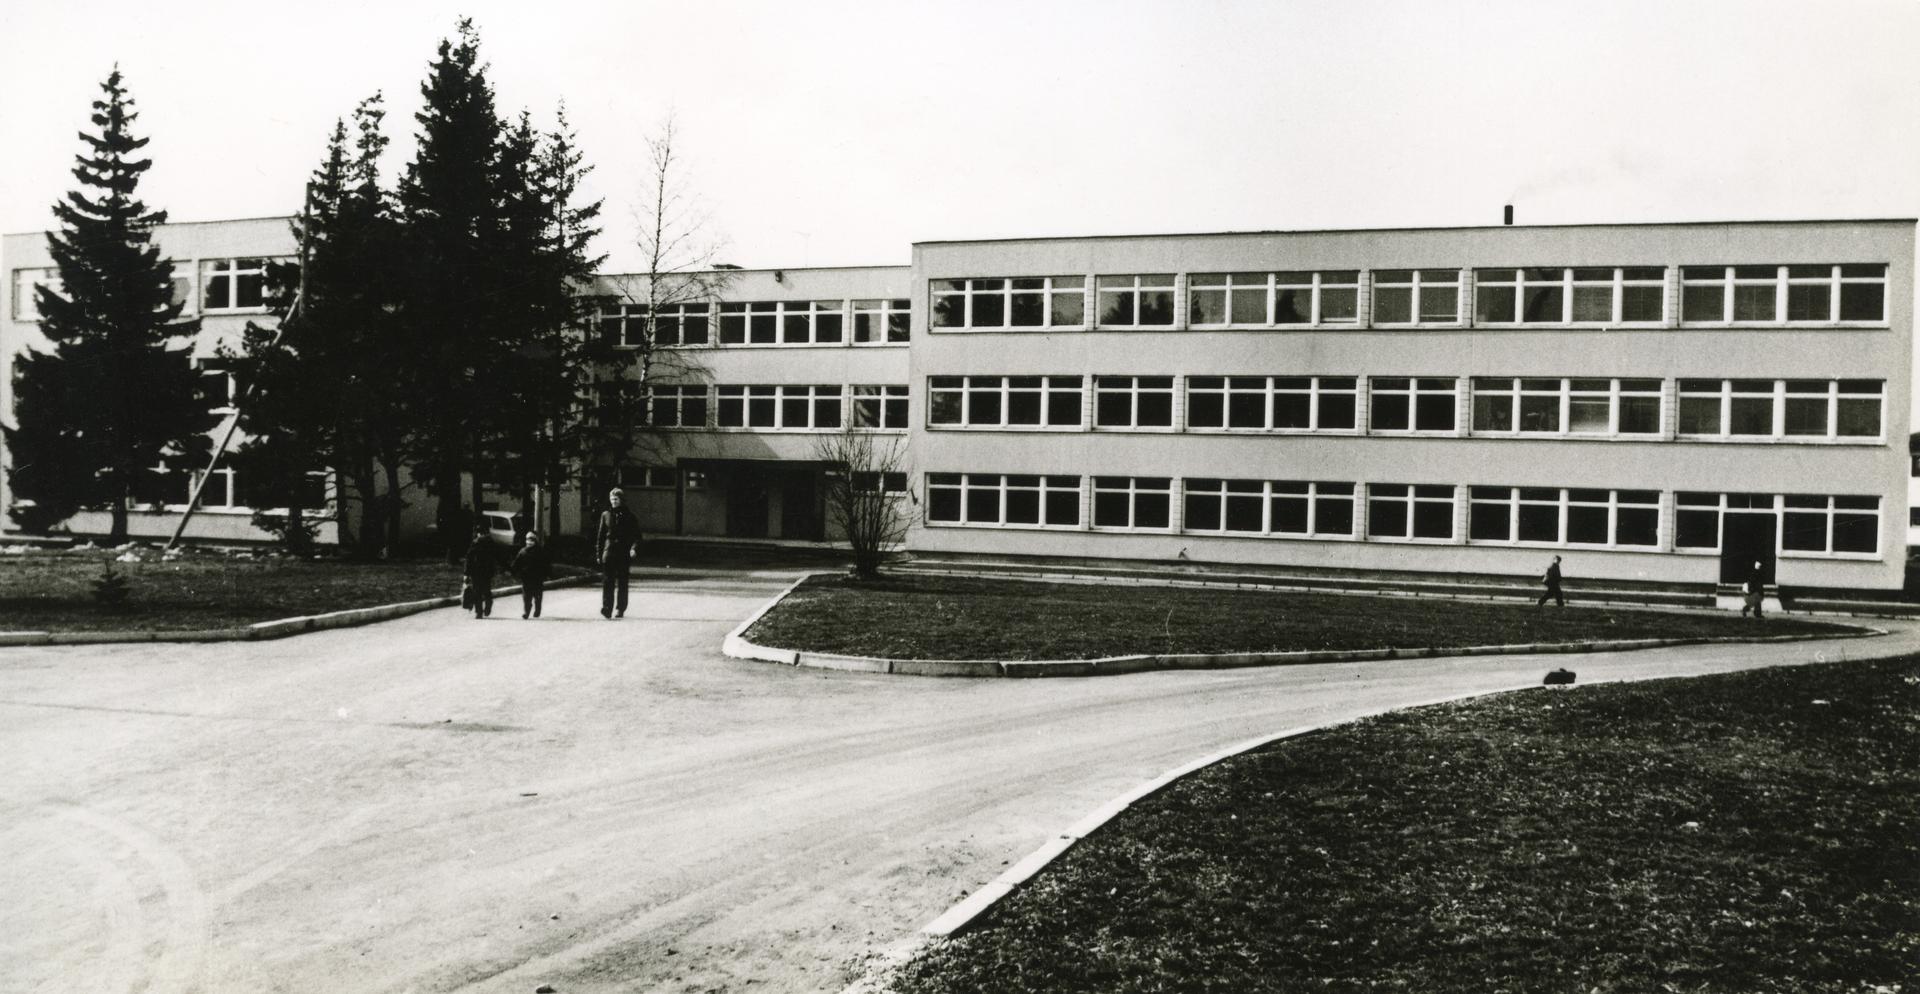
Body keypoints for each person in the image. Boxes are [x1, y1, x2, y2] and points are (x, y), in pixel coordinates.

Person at [596, 487, 641, 619]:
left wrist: (633, 548)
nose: (613, 502)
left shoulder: (630, 516)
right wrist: (599, 554)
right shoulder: (605, 515)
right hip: (609, 552)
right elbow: (601, 536)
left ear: (621, 500)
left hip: (623, 553)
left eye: (616, 499)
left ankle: (620, 608)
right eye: (611, 499)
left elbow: (637, 536)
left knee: (622, 582)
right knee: (607, 581)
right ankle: (607, 608)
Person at [512, 530, 551, 619]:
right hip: (526, 578)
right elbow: (516, 563)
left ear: (535, 541)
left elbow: (546, 564)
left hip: (537, 577)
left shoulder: (540, 551)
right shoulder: (522, 551)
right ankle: (526, 611)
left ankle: (537, 609)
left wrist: (547, 574)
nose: (529, 542)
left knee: (537, 595)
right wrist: (514, 571)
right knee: (526, 596)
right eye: (527, 540)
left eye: (531, 540)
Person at [462, 525, 496, 619]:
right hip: (487, 571)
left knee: (477, 591)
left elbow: (469, 559)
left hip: (476, 571)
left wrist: (466, 573)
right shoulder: (491, 542)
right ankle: (488, 606)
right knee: (487, 590)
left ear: (478, 533)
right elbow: (496, 557)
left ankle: (479, 612)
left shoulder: (475, 543)